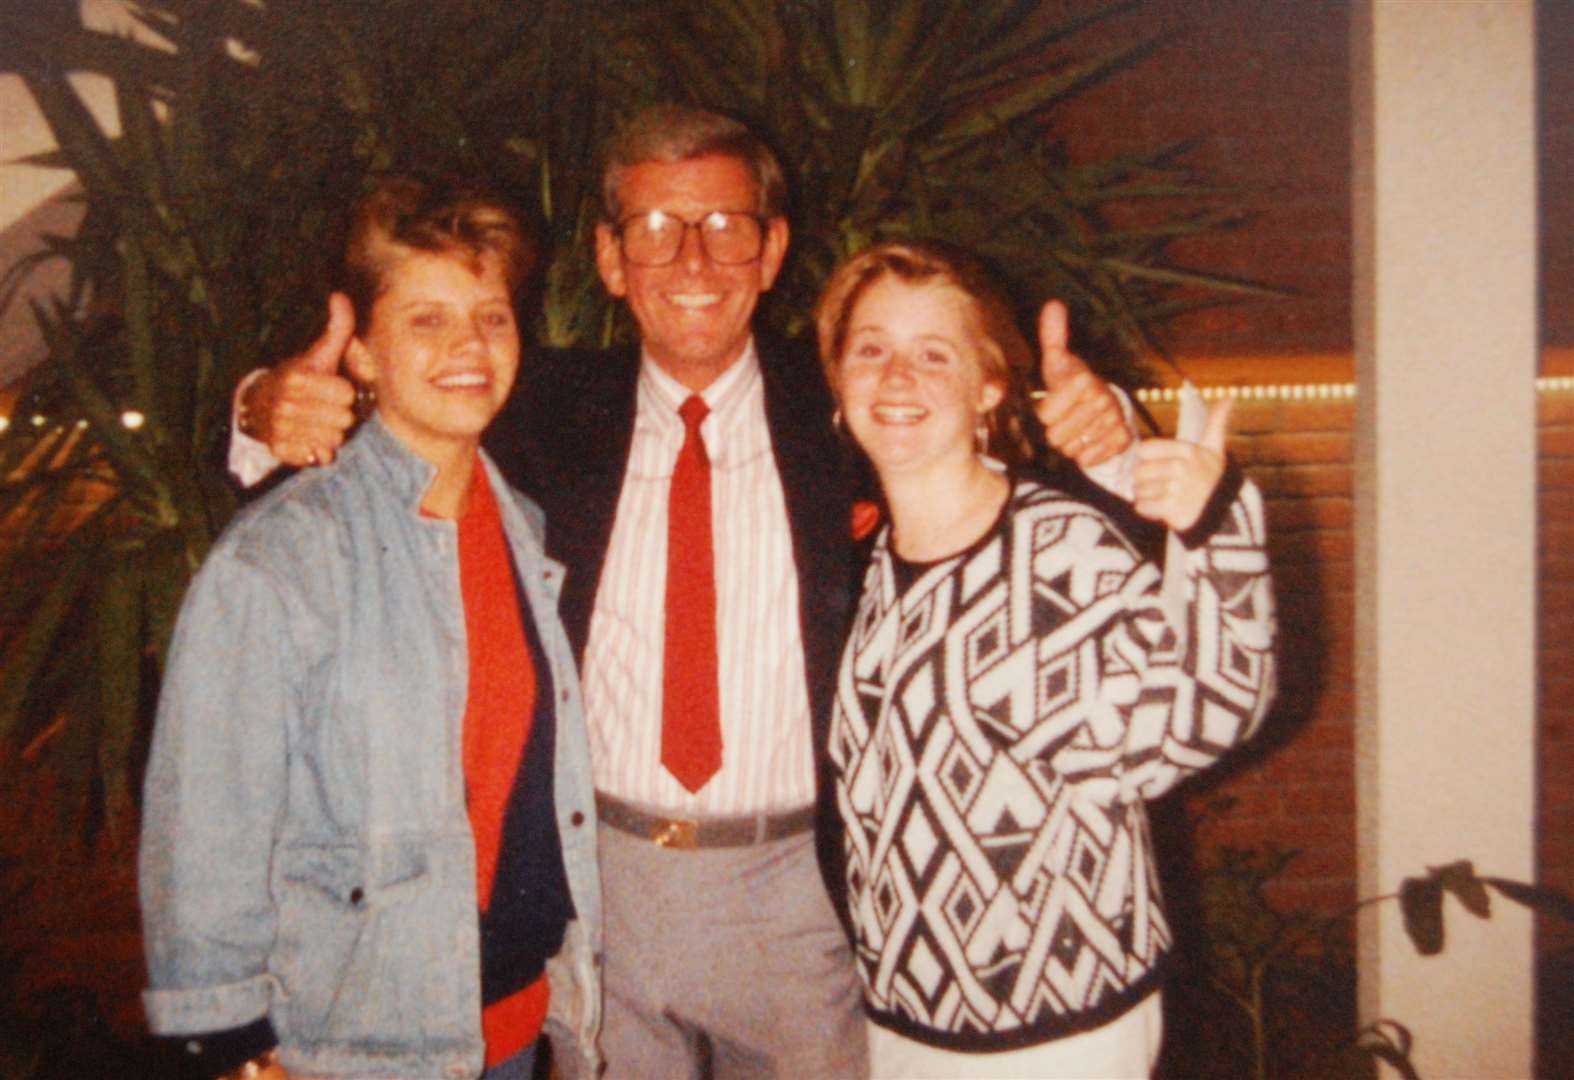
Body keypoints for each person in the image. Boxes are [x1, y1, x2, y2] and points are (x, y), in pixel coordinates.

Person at [230, 105, 1135, 1079]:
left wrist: (1107, 433)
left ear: (772, 248)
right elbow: (371, 451)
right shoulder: (538, 407)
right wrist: (264, 413)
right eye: (656, 230)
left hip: (803, 896)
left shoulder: (851, 402)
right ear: (611, 260)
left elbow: (1014, 506)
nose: (693, 262)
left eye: (724, 226)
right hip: (608, 886)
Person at [140, 177, 602, 1080]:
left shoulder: (527, 529)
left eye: (492, 315)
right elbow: (206, 820)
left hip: (515, 1033)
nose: (470, 344)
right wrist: (231, 1048)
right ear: (359, 353)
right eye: (426, 320)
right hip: (350, 1043)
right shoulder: (284, 555)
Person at [813, 240, 1278, 1079]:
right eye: (871, 348)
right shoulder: (874, 561)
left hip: (1057, 1038)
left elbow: (1206, 711)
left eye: (934, 354)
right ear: (839, 380)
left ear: (989, 386)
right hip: (902, 1029)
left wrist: (1216, 524)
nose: (897, 377)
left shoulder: (1057, 548)